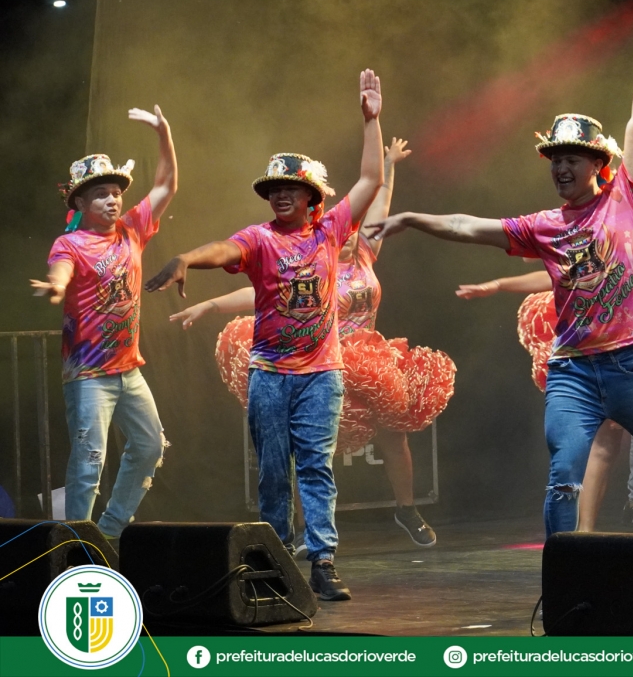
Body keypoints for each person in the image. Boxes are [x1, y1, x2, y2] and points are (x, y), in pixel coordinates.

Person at [365, 0, 633, 540]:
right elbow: (468, 226)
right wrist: (412, 218)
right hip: (573, 371)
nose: (560, 167)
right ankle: (565, 574)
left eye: (571, 159)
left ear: (597, 164)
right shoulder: (544, 225)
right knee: (562, 480)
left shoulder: (626, 199)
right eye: (555, 159)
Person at [144, 70, 386, 601]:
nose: (279, 195)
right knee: (274, 473)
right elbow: (223, 250)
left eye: (289, 189)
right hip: (270, 375)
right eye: (274, 189)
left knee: (316, 468)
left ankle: (323, 561)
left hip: (321, 374)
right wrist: (187, 257)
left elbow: (370, 180)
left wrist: (371, 121)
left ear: (310, 197)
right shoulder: (258, 239)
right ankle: (277, 560)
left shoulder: (330, 232)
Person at [168, 138, 450, 548]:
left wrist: (388, 164)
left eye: (355, 230)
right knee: (305, 453)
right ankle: (303, 534)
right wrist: (211, 304)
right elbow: (260, 292)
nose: (350, 234)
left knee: (393, 435)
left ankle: (405, 510)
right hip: (319, 356)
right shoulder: (310, 250)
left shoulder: (365, 253)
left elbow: (377, 195)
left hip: (367, 360)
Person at [456, 168, 633, 534]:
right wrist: (499, 284)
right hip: (602, 350)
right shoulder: (600, 240)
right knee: (604, 443)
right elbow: (554, 275)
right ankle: (585, 534)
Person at [32, 106, 178, 540]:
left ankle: (110, 532)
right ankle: (75, 543)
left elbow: (166, 185)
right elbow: (60, 272)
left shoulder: (132, 230)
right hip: (88, 374)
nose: (113, 199)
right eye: (101, 194)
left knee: (149, 445)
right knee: (89, 460)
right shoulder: (70, 243)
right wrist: (56, 287)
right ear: (80, 203)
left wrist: (164, 133)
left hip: (128, 370)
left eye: (115, 192)